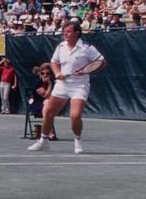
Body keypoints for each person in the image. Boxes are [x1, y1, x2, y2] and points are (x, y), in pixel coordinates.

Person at [28, 21, 105, 153]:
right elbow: (54, 62)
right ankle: (43, 141)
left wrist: (87, 71)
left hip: (79, 86)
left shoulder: (87, 48)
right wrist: (57, 73)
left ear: (77, 33)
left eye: (68, 31)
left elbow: (101, 62)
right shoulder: (61, 46)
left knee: (75, 116)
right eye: (64, 31)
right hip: (62, 85)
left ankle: (77, 142)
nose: (65, 34)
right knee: (48, 113)